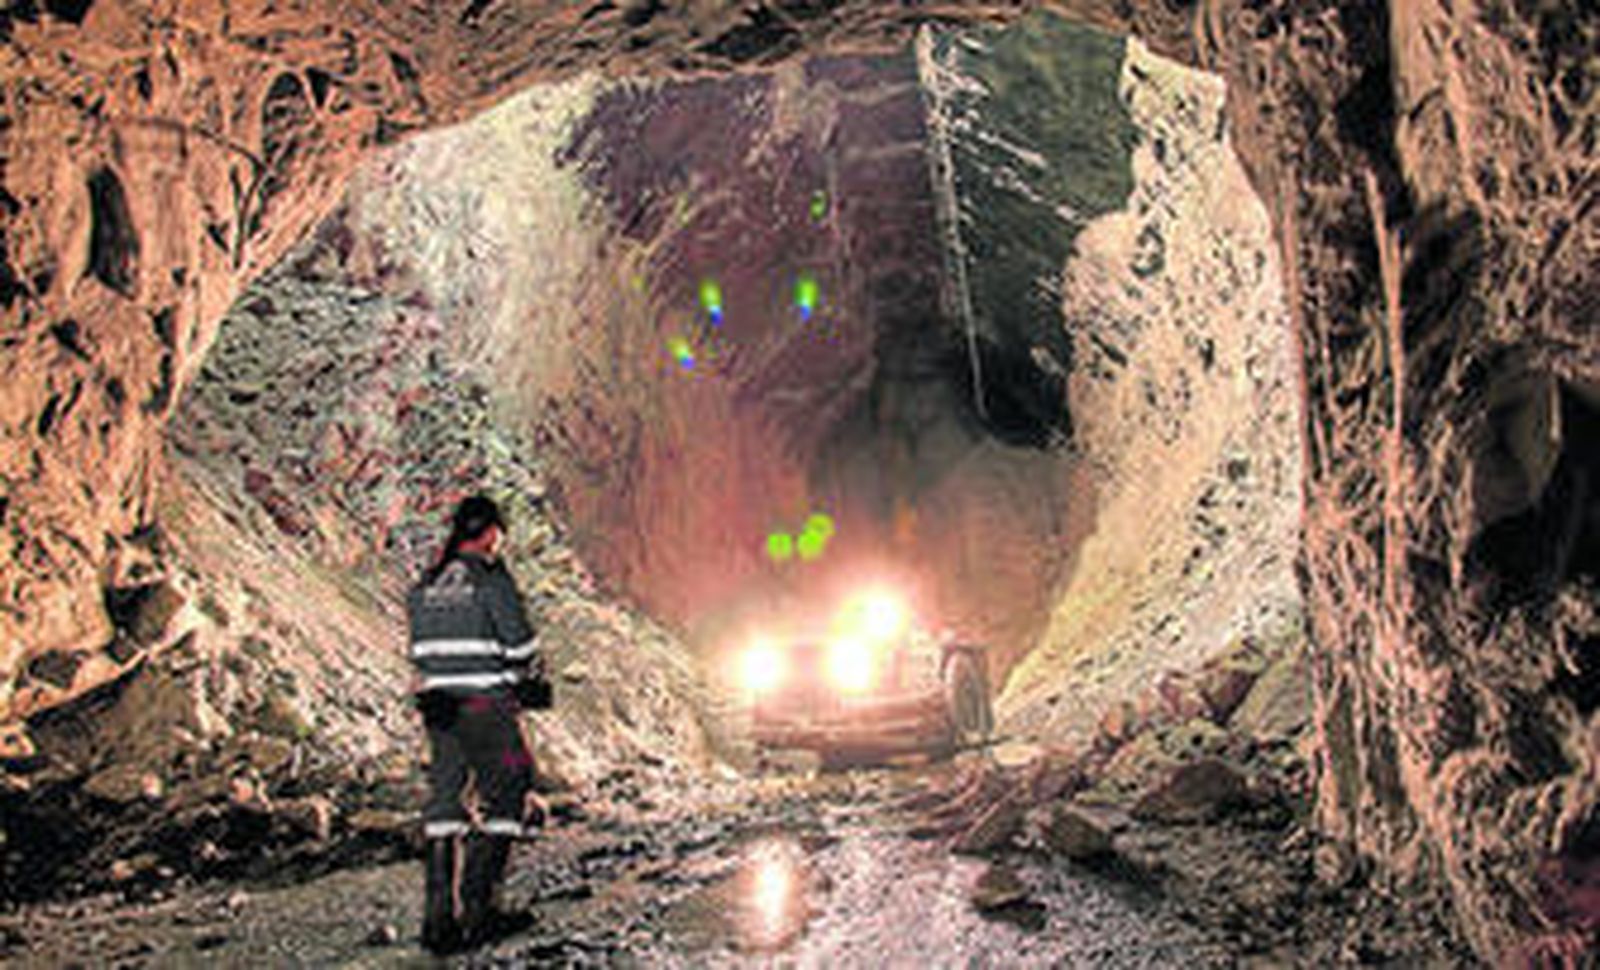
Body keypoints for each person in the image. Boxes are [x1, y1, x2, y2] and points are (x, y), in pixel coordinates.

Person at [407, 494, 543, 954]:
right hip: (486, 705)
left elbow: (420, 652)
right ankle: (480, 910)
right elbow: (520, 646)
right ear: (490, 533)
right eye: (499, 534)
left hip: (439, 706)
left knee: (446, 799)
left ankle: (438, 922)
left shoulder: (427, 582)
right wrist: (520, 674)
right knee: (510, 788)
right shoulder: (491, 578)